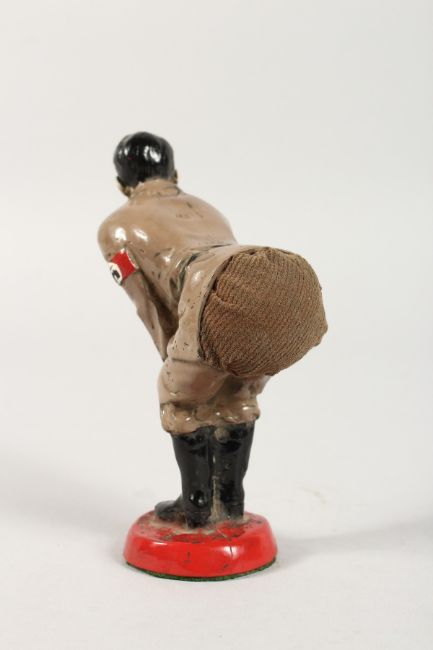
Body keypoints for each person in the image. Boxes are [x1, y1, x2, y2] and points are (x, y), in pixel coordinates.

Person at [98, 131, 327, 528]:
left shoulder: (116, 228)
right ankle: (232, 502)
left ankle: (197, 504)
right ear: (175, 173)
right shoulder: (207, 209)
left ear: (122, 184)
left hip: (207, 296)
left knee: (181, 403)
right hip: (268, 288)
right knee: (237, 400)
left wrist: (175, 360)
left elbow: (147, 303)